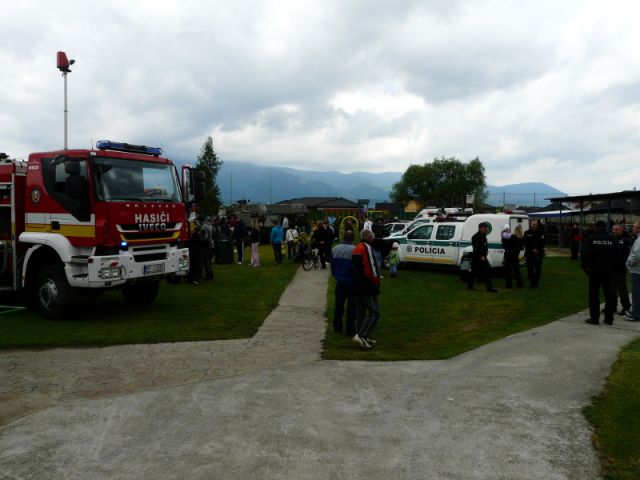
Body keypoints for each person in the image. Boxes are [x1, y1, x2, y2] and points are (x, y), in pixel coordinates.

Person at [581, 220, 619, 325]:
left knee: (594, 295)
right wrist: (618, 270)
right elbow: (618, 256)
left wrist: (585, 268)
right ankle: (609, 318)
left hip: (594, 272)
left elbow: (584, 254)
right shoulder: (612, 240)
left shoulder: (591, 239)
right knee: (609, 295)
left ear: (595, 227)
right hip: (609, 272)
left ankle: (594, 318)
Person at [352, 228, 381, 349]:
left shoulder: (357, 247)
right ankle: (361, 335)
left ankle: (362, 336)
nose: (373, 238)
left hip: (357, 285)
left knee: (361, 312)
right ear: (369, 237)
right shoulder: (366, 247)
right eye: (372, 236)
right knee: (375, 312)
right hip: (366, 285)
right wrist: (376, 281)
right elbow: (371, 266)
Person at [330, 230, 356, 336]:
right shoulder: (355, 250)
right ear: (353, 238)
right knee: (352, 306)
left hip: (340, 281)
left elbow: (332, 265)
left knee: (339, 305)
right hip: (352, 282)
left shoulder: (335, 249)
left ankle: (337, 326)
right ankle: (350, 329)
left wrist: (336, 275)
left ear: (343, 237)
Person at [467, 222, 498, 292]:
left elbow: (485, 245)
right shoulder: (475, 237)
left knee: (485, 271)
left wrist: (486, 251)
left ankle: (489, 288)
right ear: (480, 228)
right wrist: (481, 256)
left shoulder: (484, 236)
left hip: (483, 257)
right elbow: (476, 248)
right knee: (475, 272)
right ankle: (470, 286)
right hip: (477, 257)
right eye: (484, 228)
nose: (486, 229)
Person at [612, 223, 632, 315]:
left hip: (621, 268)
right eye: (613, 229)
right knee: (611, 288)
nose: (615, 231)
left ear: (621, 230)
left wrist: (627, 266)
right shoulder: (610, 239)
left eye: (617, 229)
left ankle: (626, 306)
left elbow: (629, 254)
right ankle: (612, 306)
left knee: (621, 288)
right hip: (611, 268)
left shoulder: (626, 240)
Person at [625, 221, 640, 322]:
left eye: (634, 227)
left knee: (636, 293)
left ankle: (636, 314)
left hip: (637, 270)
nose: (632, 229)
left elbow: (637, 255)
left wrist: (629, 263)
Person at [524, 219, 545, 288]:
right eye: (532, 224)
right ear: (530, 225)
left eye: (535, 224)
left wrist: (537, 249)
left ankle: (535, 283)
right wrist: (532, 249)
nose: (534, 225)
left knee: (538, 269)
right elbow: (525, 243)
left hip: (538, 254)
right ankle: (532, 281)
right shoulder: (526, 233)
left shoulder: (541, 232)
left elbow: (543, 243)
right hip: (529, 254)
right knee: (530, 269)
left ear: (537, 225)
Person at [502, 224, 524, 288]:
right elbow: (521, 248)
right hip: (516, 256)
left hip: (509, 256)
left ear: (515, 230)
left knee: (508, 271)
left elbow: (505, 244)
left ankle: (509, 285)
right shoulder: (521, 238)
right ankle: (520, 284)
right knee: (516, 271)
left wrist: (503, 236)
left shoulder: (513, 237)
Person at [198, 215, 214, 281]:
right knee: (208, 261)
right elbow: (214, 230)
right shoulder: (209, 225)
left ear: (200, 220)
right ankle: (211, 275)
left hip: (205, 245)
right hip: (211, 245)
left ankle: (208, 276)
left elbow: (204, 237)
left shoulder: (203, 227)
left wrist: (199, 236)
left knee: (206, 262)